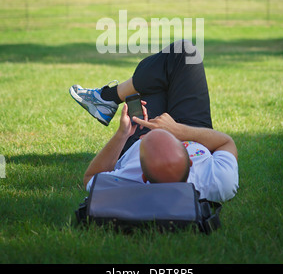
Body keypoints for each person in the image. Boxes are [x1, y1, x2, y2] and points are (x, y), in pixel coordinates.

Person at [69, 40, 238, 203]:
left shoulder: (130, 179)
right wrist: (179, 131)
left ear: (143, 176)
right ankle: (107, 99)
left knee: (154, 82)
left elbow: (89, 177)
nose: (162, 131)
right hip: (192, 131)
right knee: (183, 53)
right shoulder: (217, 181)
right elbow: (226, 142)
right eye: (174, 142)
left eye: (151, 140)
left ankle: (106, 99)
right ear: (190, 160)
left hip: (139, 131)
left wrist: (122, 134)